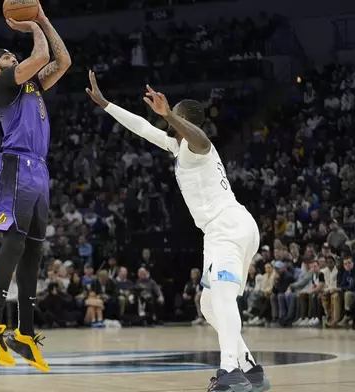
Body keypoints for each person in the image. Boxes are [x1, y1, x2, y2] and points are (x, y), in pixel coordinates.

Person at [86, 71, 269, 392]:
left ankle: (229, 372)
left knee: (223, 299)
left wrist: (168, 112)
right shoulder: (178, 147)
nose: (168, 121)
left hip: (228, 226)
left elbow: (201, 138)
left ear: (185, 119)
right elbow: (143, 129)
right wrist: (106, 104)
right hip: (224, 230)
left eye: (174, 116)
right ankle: (250, 367)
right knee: (210, 306)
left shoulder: (200, 146)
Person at [0, 2, 71, 373]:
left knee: (33, 252)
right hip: (16, 164)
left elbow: (62, 62)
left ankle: (24, 332)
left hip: (39, 169)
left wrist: (43, 18)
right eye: (9, 57)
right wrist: (30, 27)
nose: (15, 58)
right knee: (13, 243)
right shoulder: (4, 85)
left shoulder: (32, 83)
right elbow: (42, 53)